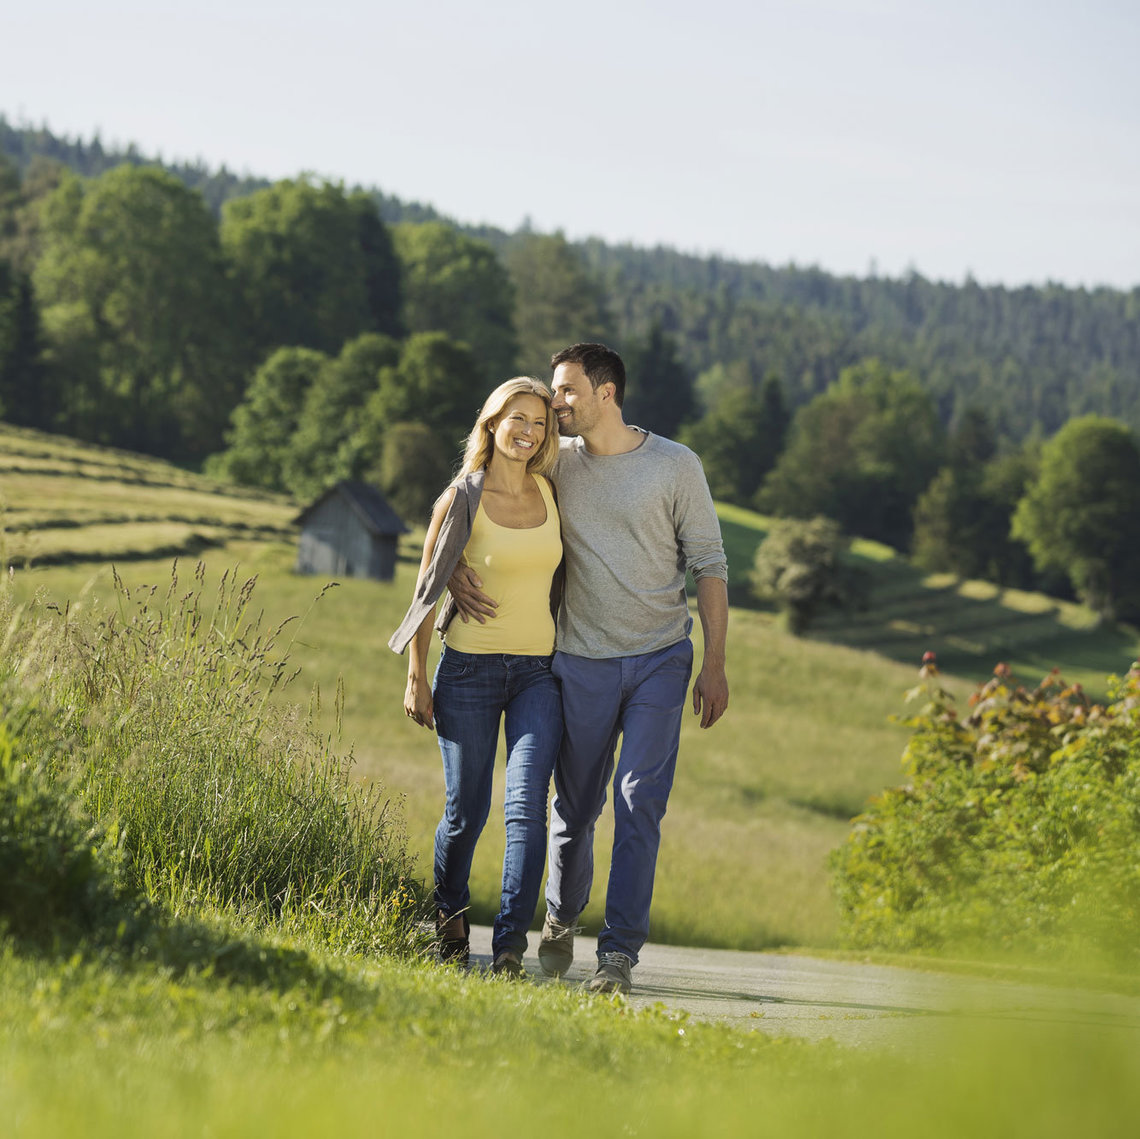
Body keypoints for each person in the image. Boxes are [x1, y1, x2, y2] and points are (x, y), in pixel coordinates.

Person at [448, 342, 729, 994]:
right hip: (579, 659)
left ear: (607, 393)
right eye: (553, 391)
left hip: (661, 657)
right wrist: (454, 565)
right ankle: (561, 913)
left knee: (639, 799)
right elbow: (486, 494)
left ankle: (618, 955)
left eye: (567, 390)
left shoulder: (675, 466)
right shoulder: (555, 465)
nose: (555, 403)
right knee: (574, 809)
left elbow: (710, 564)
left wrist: (713, 663)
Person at [389, 377, 564, 977]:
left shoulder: (550, 490)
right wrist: (417, 675)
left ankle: (511, 946)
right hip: (468, 671)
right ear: (491, 421)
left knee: (527, 809)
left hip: (539, 673)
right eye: (518, 418)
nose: (529, 431)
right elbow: (425, 593)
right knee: (467, 811)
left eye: (540, 422)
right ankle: (449, 917)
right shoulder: (461, 497)